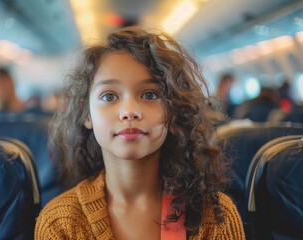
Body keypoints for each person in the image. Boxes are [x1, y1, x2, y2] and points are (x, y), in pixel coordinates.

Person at [35, 27, 245, 239]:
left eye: (150, 94)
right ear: (86, 113)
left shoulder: (215, 216)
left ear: (173, 109)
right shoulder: (60, 223)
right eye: (109, 97)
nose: (129, 112)